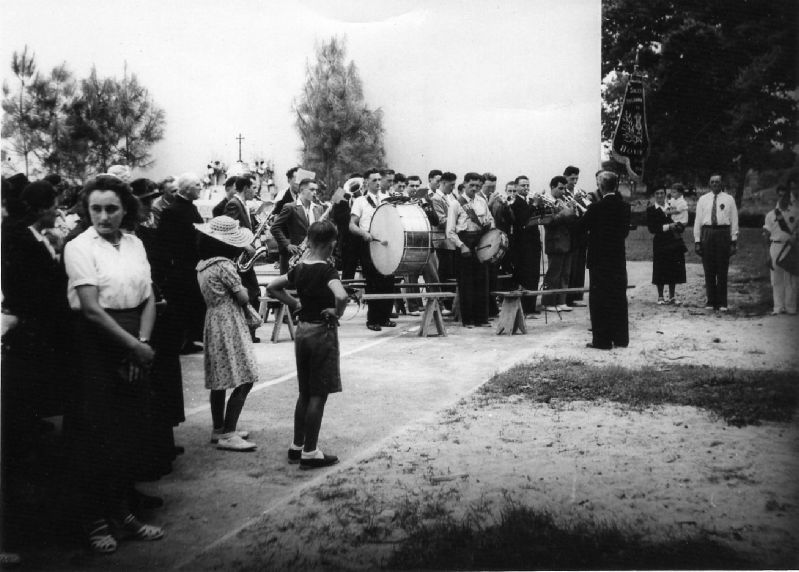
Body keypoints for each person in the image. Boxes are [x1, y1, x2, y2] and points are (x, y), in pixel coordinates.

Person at [63, 174, 164, 554]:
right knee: (96, 434)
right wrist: (132, 348)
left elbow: (148, 297)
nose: (104, 217)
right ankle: (94, 520)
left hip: (134, 337)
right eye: (96, 209)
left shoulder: (136, 243)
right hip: (96, 343)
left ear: (126, 209)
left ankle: (124, 514)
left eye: (112, 209)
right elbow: (90, 308)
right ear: (86, 210)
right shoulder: (78, 246)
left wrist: (143, 342)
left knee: (128, 433)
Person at [267, 221, 348, 469]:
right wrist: (337, 311)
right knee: (318, 394)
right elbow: (341, 295)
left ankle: (297, 445)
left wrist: (293, 303)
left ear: (309, 241)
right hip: (322, 332)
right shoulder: (327, 271)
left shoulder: (299, 268)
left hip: (302, 331)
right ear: (332, 244)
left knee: (304, 392)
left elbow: (272, 287)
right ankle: (311, 452)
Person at [194, 216, 260, 451]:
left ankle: (218, 429)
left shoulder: (202, 265)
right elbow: (242, 297)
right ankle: (229, 432)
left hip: (213, 321)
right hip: (229, 322)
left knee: (219, 380)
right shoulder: (225, 265)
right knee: (245, 376)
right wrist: (242, 288)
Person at [574, 170, 631, 349]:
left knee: (599, 300)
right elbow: (625, 232)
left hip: (599, 259)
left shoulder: (596, 207)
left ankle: (602, 340)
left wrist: (577, 211)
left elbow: (580, 228)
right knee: (618, 297)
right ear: (616, 186)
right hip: (617, 259)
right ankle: (621, 338)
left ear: (600, 186)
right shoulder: (624, 206)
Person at [157, 173, 206, 353]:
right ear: (186, 189)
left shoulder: (188, 207)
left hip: (191, 265)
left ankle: (191, 338)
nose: (201, 187)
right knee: (184, 304)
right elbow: (166, 242)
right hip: (181, 268)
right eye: (197, 185)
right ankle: (184, 340)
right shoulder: (172, 211)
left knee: (192, 303)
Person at [349, 168, 395, 331]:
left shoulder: (386, 200)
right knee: (374, 281)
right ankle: (373, 319)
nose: (377, 183)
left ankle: (385, 317)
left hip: (386, 243)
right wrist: (364, 234)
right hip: (368, 244)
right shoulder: (360, 201)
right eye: (373, 180)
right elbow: (352, 225)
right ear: (366, 182)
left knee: (389, 280)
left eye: (378, 180)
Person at [447, 172, 494, 327]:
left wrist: (488, 224)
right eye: (471, 185)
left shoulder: (482, 201)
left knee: (482, 281)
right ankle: (468, 320)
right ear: (465, 184)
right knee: (466, 284)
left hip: (481, 241)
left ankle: (482, 318)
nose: (474, 188)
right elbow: (450, 231)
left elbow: (491, 220)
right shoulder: (456, 204)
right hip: (464, 242)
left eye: (478, 186)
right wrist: (461, 246)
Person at [223, 176, 262, 340]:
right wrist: (245, 245)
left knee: (252, 292)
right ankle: (247, 331)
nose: (255, 191)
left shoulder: (242, 204)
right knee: (251, 292)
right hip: (239, 256)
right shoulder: (234, 203)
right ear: (245, 188)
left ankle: (249, 330)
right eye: (253, 187)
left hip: (244, 257)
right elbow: (229, 228)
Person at [693, 174, 739, 312]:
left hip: (723, 233)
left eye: (717, 182)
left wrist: (733, 240)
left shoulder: (729, 199)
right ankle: (711, 301)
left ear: (721, 183)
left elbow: (734, 220)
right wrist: (697, 240)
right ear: (709, 184)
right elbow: (698, 221)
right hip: (707, 233)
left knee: (722, 269)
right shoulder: (703, 199)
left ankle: (722, 302)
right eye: (712, 182)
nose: (715, 184)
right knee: (709, 269)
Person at [271, 178, 325, 274]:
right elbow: (275, 228)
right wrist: (287, 245)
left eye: (316, 190)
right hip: (298, 254)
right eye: (312, 190)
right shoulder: (290, 207)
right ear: (302, 190)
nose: (315, 193)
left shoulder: (319, 208)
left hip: (315, 254)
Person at [541, 176, 578, 312]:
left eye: (564, 188)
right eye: (560, 188)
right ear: (552, 187)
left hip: (567, 242)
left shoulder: (563, 201)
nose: (563, 191)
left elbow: (572, 222)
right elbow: (548, 221)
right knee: (553, 274)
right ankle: (548, 302)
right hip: (555, 242)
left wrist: (573, 211)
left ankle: (561, 301)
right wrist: (565, 213)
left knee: (565, 273)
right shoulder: (546, 201)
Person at [647, 188, 687, 304]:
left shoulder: (671, 207)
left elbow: (680, 220)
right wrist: (668, 226)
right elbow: (652, 228)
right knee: (660, 267)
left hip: (673, 240)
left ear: (665, 195)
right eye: (657, 193)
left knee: (673, 266)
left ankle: (672, 296)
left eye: (662, 193)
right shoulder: (651, 210)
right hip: (660, 240)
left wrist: (679, 226)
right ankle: (660, 296)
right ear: (654, 195)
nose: (659, 195)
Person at [509, 176, 542, 316]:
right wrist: (534, 205)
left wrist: (539, 206)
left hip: (533, 242)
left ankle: (531, 306)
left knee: (534, 275)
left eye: (527, 185)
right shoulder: (515, 201)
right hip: (522, 245)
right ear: (516, 187)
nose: (526, 188)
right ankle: (526, 308)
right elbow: (522, 220)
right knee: (526, 275)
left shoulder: (527, 200)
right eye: (523, 185)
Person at [763, 184, 798, 315]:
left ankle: (791, 307)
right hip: (775, 246)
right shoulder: (771, 215)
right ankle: (778, 307)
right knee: (776, 279)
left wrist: (795, 236)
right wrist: (767, 253)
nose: (783, 198)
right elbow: (766, 234)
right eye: (780, 195)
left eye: (785, 195)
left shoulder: (796, 212)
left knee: (791, 279)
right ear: (777, 196)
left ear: (789, 196)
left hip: (790, 247)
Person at [564, 166, 589, 307]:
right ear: (565, 177)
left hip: (581, 230)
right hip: (571, 231)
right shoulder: (565, 192)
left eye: (576, 179)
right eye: (572, 178)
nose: (574, 181)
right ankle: (568, 297)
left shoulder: (579, 192)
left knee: (579, 265)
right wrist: (577, 202)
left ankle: (575, 297)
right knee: (572, 265)